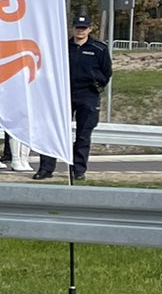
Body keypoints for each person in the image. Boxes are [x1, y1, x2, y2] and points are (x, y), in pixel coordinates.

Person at [33, 14, 113, 181]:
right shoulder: (62, 47)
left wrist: (98, 84)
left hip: (88, 95)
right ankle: (46, 168)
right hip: (63, 94)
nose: (80, 31)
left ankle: (78, 170)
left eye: (84, 28)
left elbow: (106, 72)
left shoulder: (99, 49)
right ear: (73, 28)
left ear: (90, 29)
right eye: (77, 27)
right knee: (53, 131)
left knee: (83, 134)